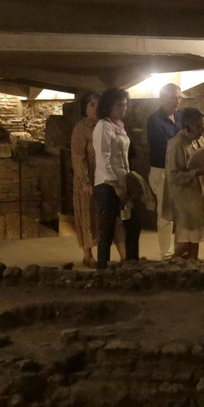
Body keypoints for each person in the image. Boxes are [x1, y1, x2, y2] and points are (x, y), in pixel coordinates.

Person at [162, 107, 204, 260]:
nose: (203, 130)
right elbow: (173, 176)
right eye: (199, 126)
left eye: (203, 125)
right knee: (188, 238)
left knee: (195, 238)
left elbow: (203, 161)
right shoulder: (176, 145)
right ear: (188, 125)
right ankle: (166, 265)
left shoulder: (199, 140)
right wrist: (197, 173)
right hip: (184, 200)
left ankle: (192, 267)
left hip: (198, 196)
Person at [91, 87, 132, 270]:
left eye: (125, 105)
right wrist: (115, 185)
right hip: (107, 185)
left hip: (122, 181)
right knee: (106, 228)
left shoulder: (119, 126)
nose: (122, 109)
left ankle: (129, 262)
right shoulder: (103, 126)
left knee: (127, 224)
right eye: (119, 105)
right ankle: (103, 267)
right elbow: (103, 159)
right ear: (108, 106)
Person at [145, 82, 182, 260]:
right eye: (174, 98)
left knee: (181, 212)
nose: (178, 102)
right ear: (163, 98)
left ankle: (180, 251)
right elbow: (162, 146)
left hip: (178, 169)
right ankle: (165, 253)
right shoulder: (154, 120)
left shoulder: (180, 117)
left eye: (179, 98)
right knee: (165, 213)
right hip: (161, 170)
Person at [69, 92, 101, 266]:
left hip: (103, 177)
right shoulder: (82, 128)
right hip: (87, 179)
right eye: (92, 105)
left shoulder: (105, 125)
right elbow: (78, 156)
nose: (95, 108)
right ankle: (87, 255)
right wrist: (85, 181)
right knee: (86, 214)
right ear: (85, 108)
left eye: (98, 104)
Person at [121, 147, 157, 263]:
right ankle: (131, 258)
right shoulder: (131, 175)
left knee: (132, 230)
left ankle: (132, 258)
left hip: (130, 202)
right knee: (132, 230)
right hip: (130, 203)